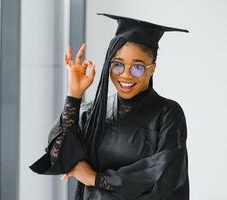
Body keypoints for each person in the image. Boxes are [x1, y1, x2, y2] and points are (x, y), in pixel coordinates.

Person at [30, 13, 190, 200]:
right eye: (117, 65)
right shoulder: (92, 112)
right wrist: (74, 95)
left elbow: (164, 176)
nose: (126, 75)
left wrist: (95, 178)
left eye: (137, 67)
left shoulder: (167, 114)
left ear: (152, 68)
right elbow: (60, 157)